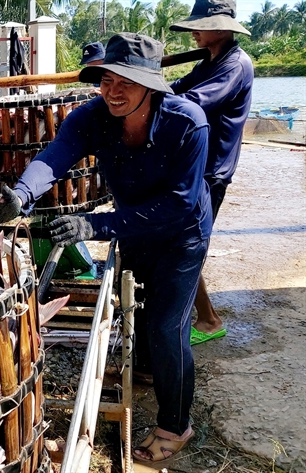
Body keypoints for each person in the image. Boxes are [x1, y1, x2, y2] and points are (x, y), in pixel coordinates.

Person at [0, 33, 212, 463]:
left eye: (125, 82)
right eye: (106, 79)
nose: (113, 91)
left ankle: (175, 423)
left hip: (181, 233)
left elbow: (178, 204)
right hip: (133, 223)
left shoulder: (187, 123)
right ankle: (150, 371)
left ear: (151, 85)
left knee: (169, 324)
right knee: (145, 308)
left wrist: (95, 225)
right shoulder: (92, 116)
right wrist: (18, 198)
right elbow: (56, 155)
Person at [170, 0, 254, 345]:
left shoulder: (235, 65)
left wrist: (149, 104)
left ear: (221, 28)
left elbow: (192, 102)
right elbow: (179, 87)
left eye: (201, 25)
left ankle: (208, 319)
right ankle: (195, 312)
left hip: (211, 171)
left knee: (188, 243)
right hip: (195, 165)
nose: (195, 31)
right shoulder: (211, 61)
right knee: (181, 240)